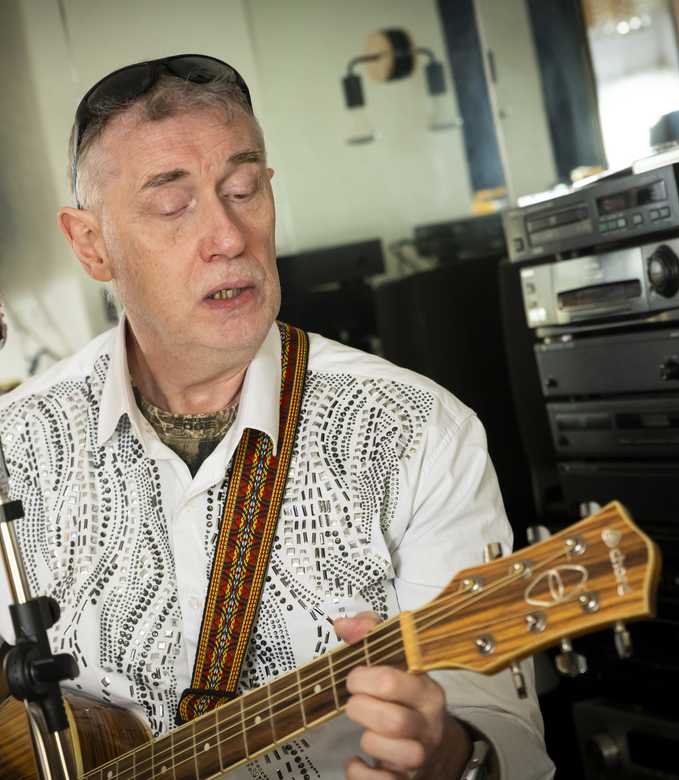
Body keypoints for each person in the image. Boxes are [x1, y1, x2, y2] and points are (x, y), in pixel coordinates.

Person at [0, 55, 554, 779]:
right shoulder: (18, 441)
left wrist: (452, 753)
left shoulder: (417, 430)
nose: (229, 236)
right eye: (173, 206)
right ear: (90, 244)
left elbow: (508, 740)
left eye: (243, 189)